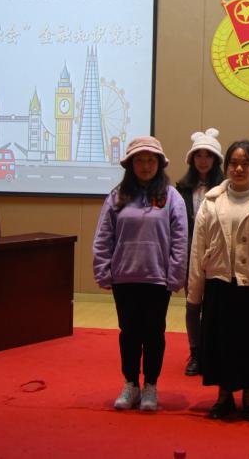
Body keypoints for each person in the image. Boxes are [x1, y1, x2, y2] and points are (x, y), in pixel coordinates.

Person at [186, 140, 249, 422]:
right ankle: (223, 396)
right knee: (221, 342)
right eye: (234, 163)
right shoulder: (211, 202)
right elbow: (197, 248)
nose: (239, 169)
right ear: (226, 167)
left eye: (246, 164)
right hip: (219, 283)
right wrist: (194, 293)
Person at [93, 136, 188, 412]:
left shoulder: (172, 197)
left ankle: (151, 386)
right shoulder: (117, 196)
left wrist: (176, 275)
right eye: (139, 160)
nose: (145, 166)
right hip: (125, 278)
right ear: (130, 164)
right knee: (129, 333)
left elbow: (181, 239)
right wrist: (103, 270)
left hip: (158, 279)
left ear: (159, 164)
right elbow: (103, 237)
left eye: (150, 160)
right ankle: (131, 384)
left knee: (154, 334)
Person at [175, 128, 225, 377]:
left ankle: (213, 352)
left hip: (218, 255)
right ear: (192, 159)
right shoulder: (181, 189)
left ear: (216, 159)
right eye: (198, 155)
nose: (203, 160)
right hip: (189, 255)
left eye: (208, 156)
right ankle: (195, 353)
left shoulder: (226, 188)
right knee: (193, 305)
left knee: (216, 307)